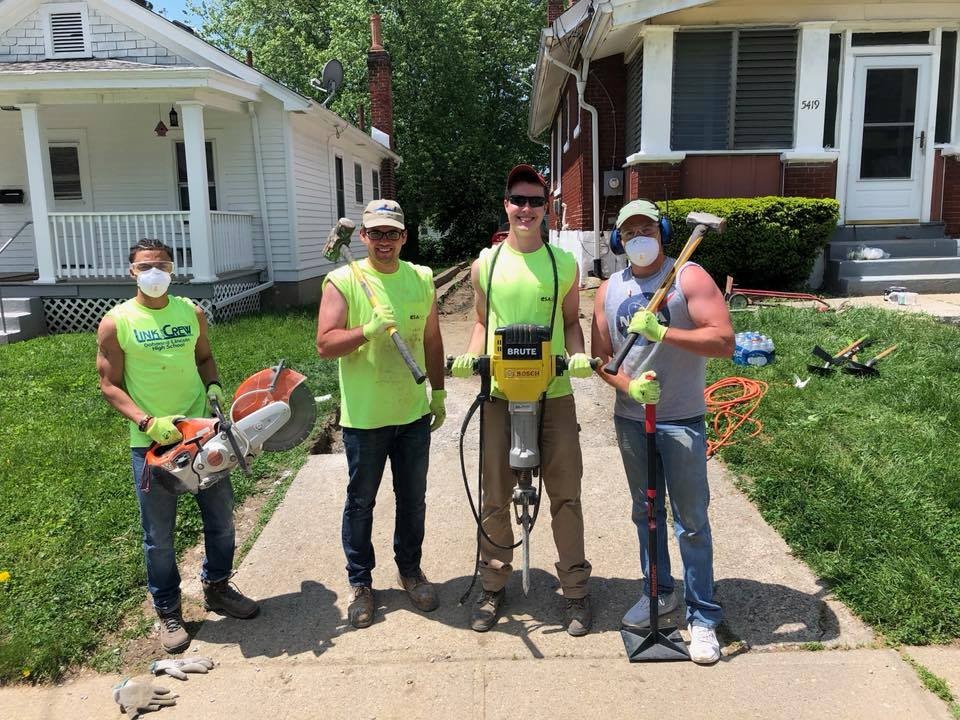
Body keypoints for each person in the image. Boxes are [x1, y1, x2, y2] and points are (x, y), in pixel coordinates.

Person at [451, 164, 595, 636]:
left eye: (536, 201)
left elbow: (572, 322)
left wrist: (577, 357)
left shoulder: (562, 265)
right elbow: (479, 321)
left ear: (547, 208)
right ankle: (493, 584)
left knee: (565, 493)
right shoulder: (486, 265)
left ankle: (574, 591)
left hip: (553, 393)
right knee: (494, 493)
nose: (526, 209)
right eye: (519, 200)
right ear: (506, 204)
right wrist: (470, 358)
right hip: (499, 393)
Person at [97, 238, 259, 654]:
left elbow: (204, 359)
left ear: (172, 269)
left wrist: (215, 386)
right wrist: (147, 422)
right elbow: (109, 384)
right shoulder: (117, 322)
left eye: (161, 265)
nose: (154, 273)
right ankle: (168, 610)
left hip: (203, 435)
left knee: (221, 520)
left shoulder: (191, 313)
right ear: (131, 271)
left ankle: (219, 587)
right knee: (159, 536)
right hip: (152, 445)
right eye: (145, 266)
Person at [590, 199, 734, 664]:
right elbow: (602, 359)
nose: (638, 236)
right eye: (628, 230)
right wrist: (628, 385)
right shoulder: (609, 289)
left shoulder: (689, 275)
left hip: (682, 418)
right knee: (646, 512)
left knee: (690, 519)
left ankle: (703, 616)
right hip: (632, 420)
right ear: (618, 239)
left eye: (646, 227)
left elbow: (724, 342)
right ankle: (661, 593)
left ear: (663, 230)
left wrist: (663, 332)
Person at [316, 199, 446, 629]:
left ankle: (410, 570)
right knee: (361, 502)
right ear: (363, 237)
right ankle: (361, 583)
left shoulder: (421, 279)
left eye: (392, 233)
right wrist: (366, 331)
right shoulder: (342, 280)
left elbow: (430, 339)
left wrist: (439, 392)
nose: (384, 241)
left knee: (413, 500)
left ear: (404, 236)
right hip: (365, 419)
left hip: (411, 413)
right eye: (376, 233)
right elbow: (325, 344)